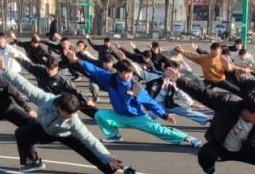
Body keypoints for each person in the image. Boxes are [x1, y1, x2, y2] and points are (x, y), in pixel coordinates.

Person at [0, 53, 138, 174]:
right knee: (21, 133)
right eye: (66, 114)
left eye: (71, 115)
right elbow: (25, 86)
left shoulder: (73, 121)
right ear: (59, 107)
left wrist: (108, 158)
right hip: (46, 130)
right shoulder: (45, 99)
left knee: (104, 164)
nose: (68, 117)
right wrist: (5, 69)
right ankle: (33, 162)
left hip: (67, 134)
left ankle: (116, 167)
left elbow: (91, 140)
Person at [67, 51, 202, 147]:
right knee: (100, 115)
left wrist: (165, 115)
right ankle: (114, 136)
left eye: (130, 73)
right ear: (119, 72)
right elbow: (94, 69)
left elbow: (150, 102)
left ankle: (187, 138)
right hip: (119, 116)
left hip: (137, 117)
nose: (128, 76)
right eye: (125, 73)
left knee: (160, 131)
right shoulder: (111, 79)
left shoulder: (135, 87)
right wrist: (77, 60)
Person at [176, 42, 241, 94]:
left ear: (220, 51)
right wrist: (182, 51)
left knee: (235, 90)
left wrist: (242, 69)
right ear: (211, 50)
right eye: (216, 52)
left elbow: (232, 67)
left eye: (219, 52)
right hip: (208, 81)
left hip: (220, 80)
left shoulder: (223, 59)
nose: (218, 54)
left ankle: (245, 99)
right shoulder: (204, 58)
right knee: (198, 91)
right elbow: (192, 56)